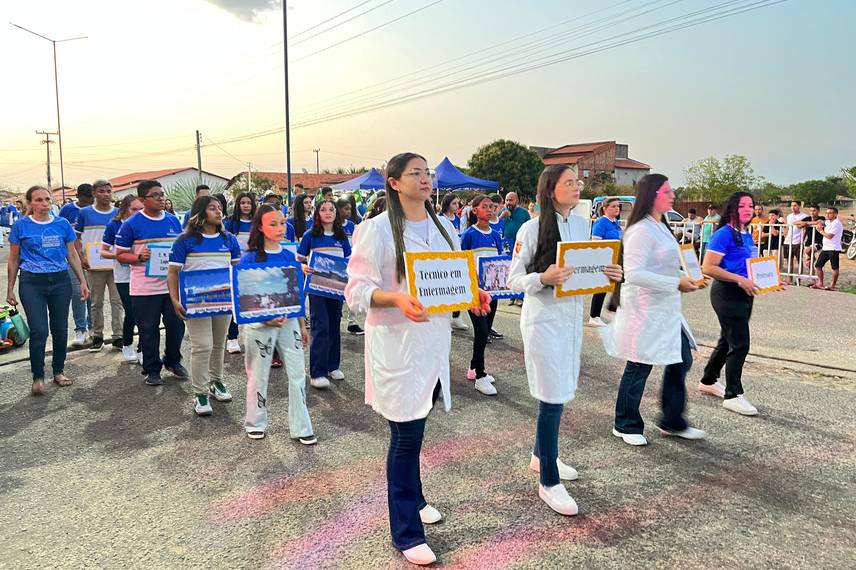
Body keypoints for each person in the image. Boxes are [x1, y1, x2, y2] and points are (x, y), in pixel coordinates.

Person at [345, 152, 490, 566]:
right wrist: (395, 297)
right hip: (397, 345)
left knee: (418, 428)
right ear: (393, 182)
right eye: (416, 173)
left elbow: (454, 278)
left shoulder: (444, 227)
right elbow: (355, 292)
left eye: (428, 173)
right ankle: (406, 532)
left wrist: (473, 296)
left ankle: (415, 497)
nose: (426, 178)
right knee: (405, 437)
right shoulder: (375, 230)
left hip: (432, 346)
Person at [508, 165, 623, 516]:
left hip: (570, 321)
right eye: (569, 182)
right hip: (543, 321)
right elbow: (513, 279)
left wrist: (610, 273)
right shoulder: (530, 228)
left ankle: (541, 455)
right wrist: (543, 276)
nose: (577, 187)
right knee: (551, 396)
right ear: (551, 189)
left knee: (559, 391)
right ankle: (548, 480)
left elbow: (583, 272)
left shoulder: (581, 225)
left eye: (578, 182)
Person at [603, 174, 705, 446]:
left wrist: (689, 276)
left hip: (666, 309)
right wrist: (676, 283)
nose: (672, 195)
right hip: (644, 310)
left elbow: (668, 265)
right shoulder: (640, 230)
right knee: (639, 365)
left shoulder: (662, 225)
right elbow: (634, 274)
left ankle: (672, 420)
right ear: (652, 194)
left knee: (681, 359)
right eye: (667, 191)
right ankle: (625, 423)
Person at [241, 204, 315, 443]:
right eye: (273, 223)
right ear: (260, 227)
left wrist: (302, 326)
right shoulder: (249, 258)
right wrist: (264, 318)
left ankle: (302, 427)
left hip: (289, 323)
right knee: (258, 374)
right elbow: (244, 298)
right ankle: (255, 422)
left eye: (282, 222)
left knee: (297, 374)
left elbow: (295, 295)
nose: (280, 228)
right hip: (259, 326)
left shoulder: (288, 256)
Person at [6, 186, 89, 395]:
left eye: (47, 199)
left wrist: (82, 281)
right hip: (32, 282)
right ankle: (38, 376)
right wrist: (10, 289)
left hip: (60, 281)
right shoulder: (21, 226)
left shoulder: (61, 224)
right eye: (39, 200)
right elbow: (14, 259)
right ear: (30, 203)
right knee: (39, 330)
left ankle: (58, 371)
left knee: (60, 329)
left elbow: (72, 255)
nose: (44, 203)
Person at [167, 196, 241, 416]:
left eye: (220, 208)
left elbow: (237, 272)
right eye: (212, 208)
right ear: (200, 213)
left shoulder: (230, 240)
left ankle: (216, 382)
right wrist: (174, 299)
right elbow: (172, 272)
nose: (218, 212)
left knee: (219, 345)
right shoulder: (185, 240)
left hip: (223, 301)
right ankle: (200, 394)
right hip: (195, 302)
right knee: (203, 346)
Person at [114, 180, 187, 386]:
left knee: (176, 326)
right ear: (142, 199)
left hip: (172, 287)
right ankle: (152, 369)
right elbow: (119, 255)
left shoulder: (173, 221)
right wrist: (138, 256)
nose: (161, 198)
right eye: (155, 195)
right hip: (144, 288)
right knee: (148, 330)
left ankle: (173, 361)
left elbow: (180, 250)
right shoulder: (131, 224)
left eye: (162, 194)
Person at [699, 192, 761, 416]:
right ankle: (733, 394)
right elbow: (708, 267)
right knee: (740, 344)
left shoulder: (746, 234)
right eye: (742, 206)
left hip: (745, 292)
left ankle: (708, 380)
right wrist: (738, 279)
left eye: (751, 206)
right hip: (727, 293)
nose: (747, 209)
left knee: (728, 339)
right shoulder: (723, 234)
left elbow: (750, 263)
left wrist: (769, 279)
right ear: (732, 209)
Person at [296, 198, 351, 389]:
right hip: (317, 288)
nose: (328, 212)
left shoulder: (341, 236)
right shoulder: (310, 235)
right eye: (323, 209)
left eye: (331, 209)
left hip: (337, 288)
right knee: (320, 326)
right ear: (317, 213)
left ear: (336, 213)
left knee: (335, 324)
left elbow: (348, 260)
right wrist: (303, 267)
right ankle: (317, 372)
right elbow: (299, 259)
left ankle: (332, 365)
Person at [460, 195, 503, 396]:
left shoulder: (495, 234)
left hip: (493, 291)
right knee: (481, 332)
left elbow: (500, 261)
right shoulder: (469, 234)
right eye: (484, 207)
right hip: (475, 292)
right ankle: (480, 375)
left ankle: (473, 367)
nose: (489, 210)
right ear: (474, 210)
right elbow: (463, 262)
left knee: (485, 331)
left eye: (491, 207)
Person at [74, 179, 123, 352]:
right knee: (96, 302)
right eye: (102, 191)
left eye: (108, 191)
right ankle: (97, 336)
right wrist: (81, 257)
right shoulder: (85, 213)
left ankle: (118, 336)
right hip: (94, 265)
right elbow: (76, 238)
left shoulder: (118, 213)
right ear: (94, 193)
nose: (106, 194)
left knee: (118, 301)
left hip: (116, 263)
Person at [101, 195, 144, 362]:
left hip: (143, 275)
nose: (138, 213)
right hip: (123, 276)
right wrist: (121, 255)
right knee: (132, 312)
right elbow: (103, 250)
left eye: (141, 209)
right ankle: (127, 344)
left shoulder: (146, 224)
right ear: (125, 209)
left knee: (144, 314)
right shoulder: (114, 225)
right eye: (134, 209)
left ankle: (143, 349)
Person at [59, 183, 94, 345]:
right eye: (85, 201)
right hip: (73, 259)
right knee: (78, 293)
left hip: (93, 258)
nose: (88, 204)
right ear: (78, 197)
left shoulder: (94, 210)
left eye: (90, 201)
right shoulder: (67, 210)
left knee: (93, 295)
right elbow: (61, 232)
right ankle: (80, 329)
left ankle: (92, 326)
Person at [225, 192, 257, 354]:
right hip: (234, 268)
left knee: (254, 302)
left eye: (248, 203)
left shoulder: (258, 223)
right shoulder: (230, 223)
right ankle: (232, 338)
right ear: (237, 205)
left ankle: (254, 338)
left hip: (253, 268)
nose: (245, 205)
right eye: (242, 202)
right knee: (234, 304)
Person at [588, 197, 622, 327]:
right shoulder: (601, 222)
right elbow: (595, 240)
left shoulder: (616, 223)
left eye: (618, 206)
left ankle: (612, 309)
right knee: (601, 287)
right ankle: (594, 315)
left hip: (616, 258)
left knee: (619, 285)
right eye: (613, 206)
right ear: (605, 209)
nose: (616, 208)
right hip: (604, 258)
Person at [336, 196, 365, 336]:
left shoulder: (351, 225)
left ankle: (352, 321)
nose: (348, 212)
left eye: (350, 209)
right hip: (337, 264)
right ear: (338, 209)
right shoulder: (333, 225)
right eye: (345, 209)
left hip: (350, 262)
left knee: (352, 291)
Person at [813, 206, 843, 290]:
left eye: (830, 213)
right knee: (818, 265)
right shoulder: (828, 222)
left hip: (834, 248)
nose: (828, 214)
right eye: (827, 213)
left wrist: (820, 231)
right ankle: (820, 283)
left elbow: (829, 236)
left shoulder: (836, 223)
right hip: (826, 248)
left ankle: (832, 285)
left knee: (834, 267)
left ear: (835, 214)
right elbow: (818, 222)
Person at [782, 201, 808, 282]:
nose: (793, 207)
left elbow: (806, 229)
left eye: (795, 206)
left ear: (799, 206)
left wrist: (802, 240)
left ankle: (799, 278)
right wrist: (785, 236)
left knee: (799, 260)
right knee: (789, 260)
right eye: (792, 206)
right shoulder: (789, 216)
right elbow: (788, 228)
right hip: (788, 241)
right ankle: (789, 278)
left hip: (798, 241)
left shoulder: (804, 216)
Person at [796, 205, 825, 270]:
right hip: (808, 242)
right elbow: (796, 223)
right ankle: (812, 278)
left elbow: (819, 222)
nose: (812, 212)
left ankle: (812, 258)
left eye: (814, 211)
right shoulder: (808, 218)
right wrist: (805, 223)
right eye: (811, 211)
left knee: (808, 250)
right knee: (808, 264)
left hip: (818, 242)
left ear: (818, 211)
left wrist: (806, 224)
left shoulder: (821, 218)